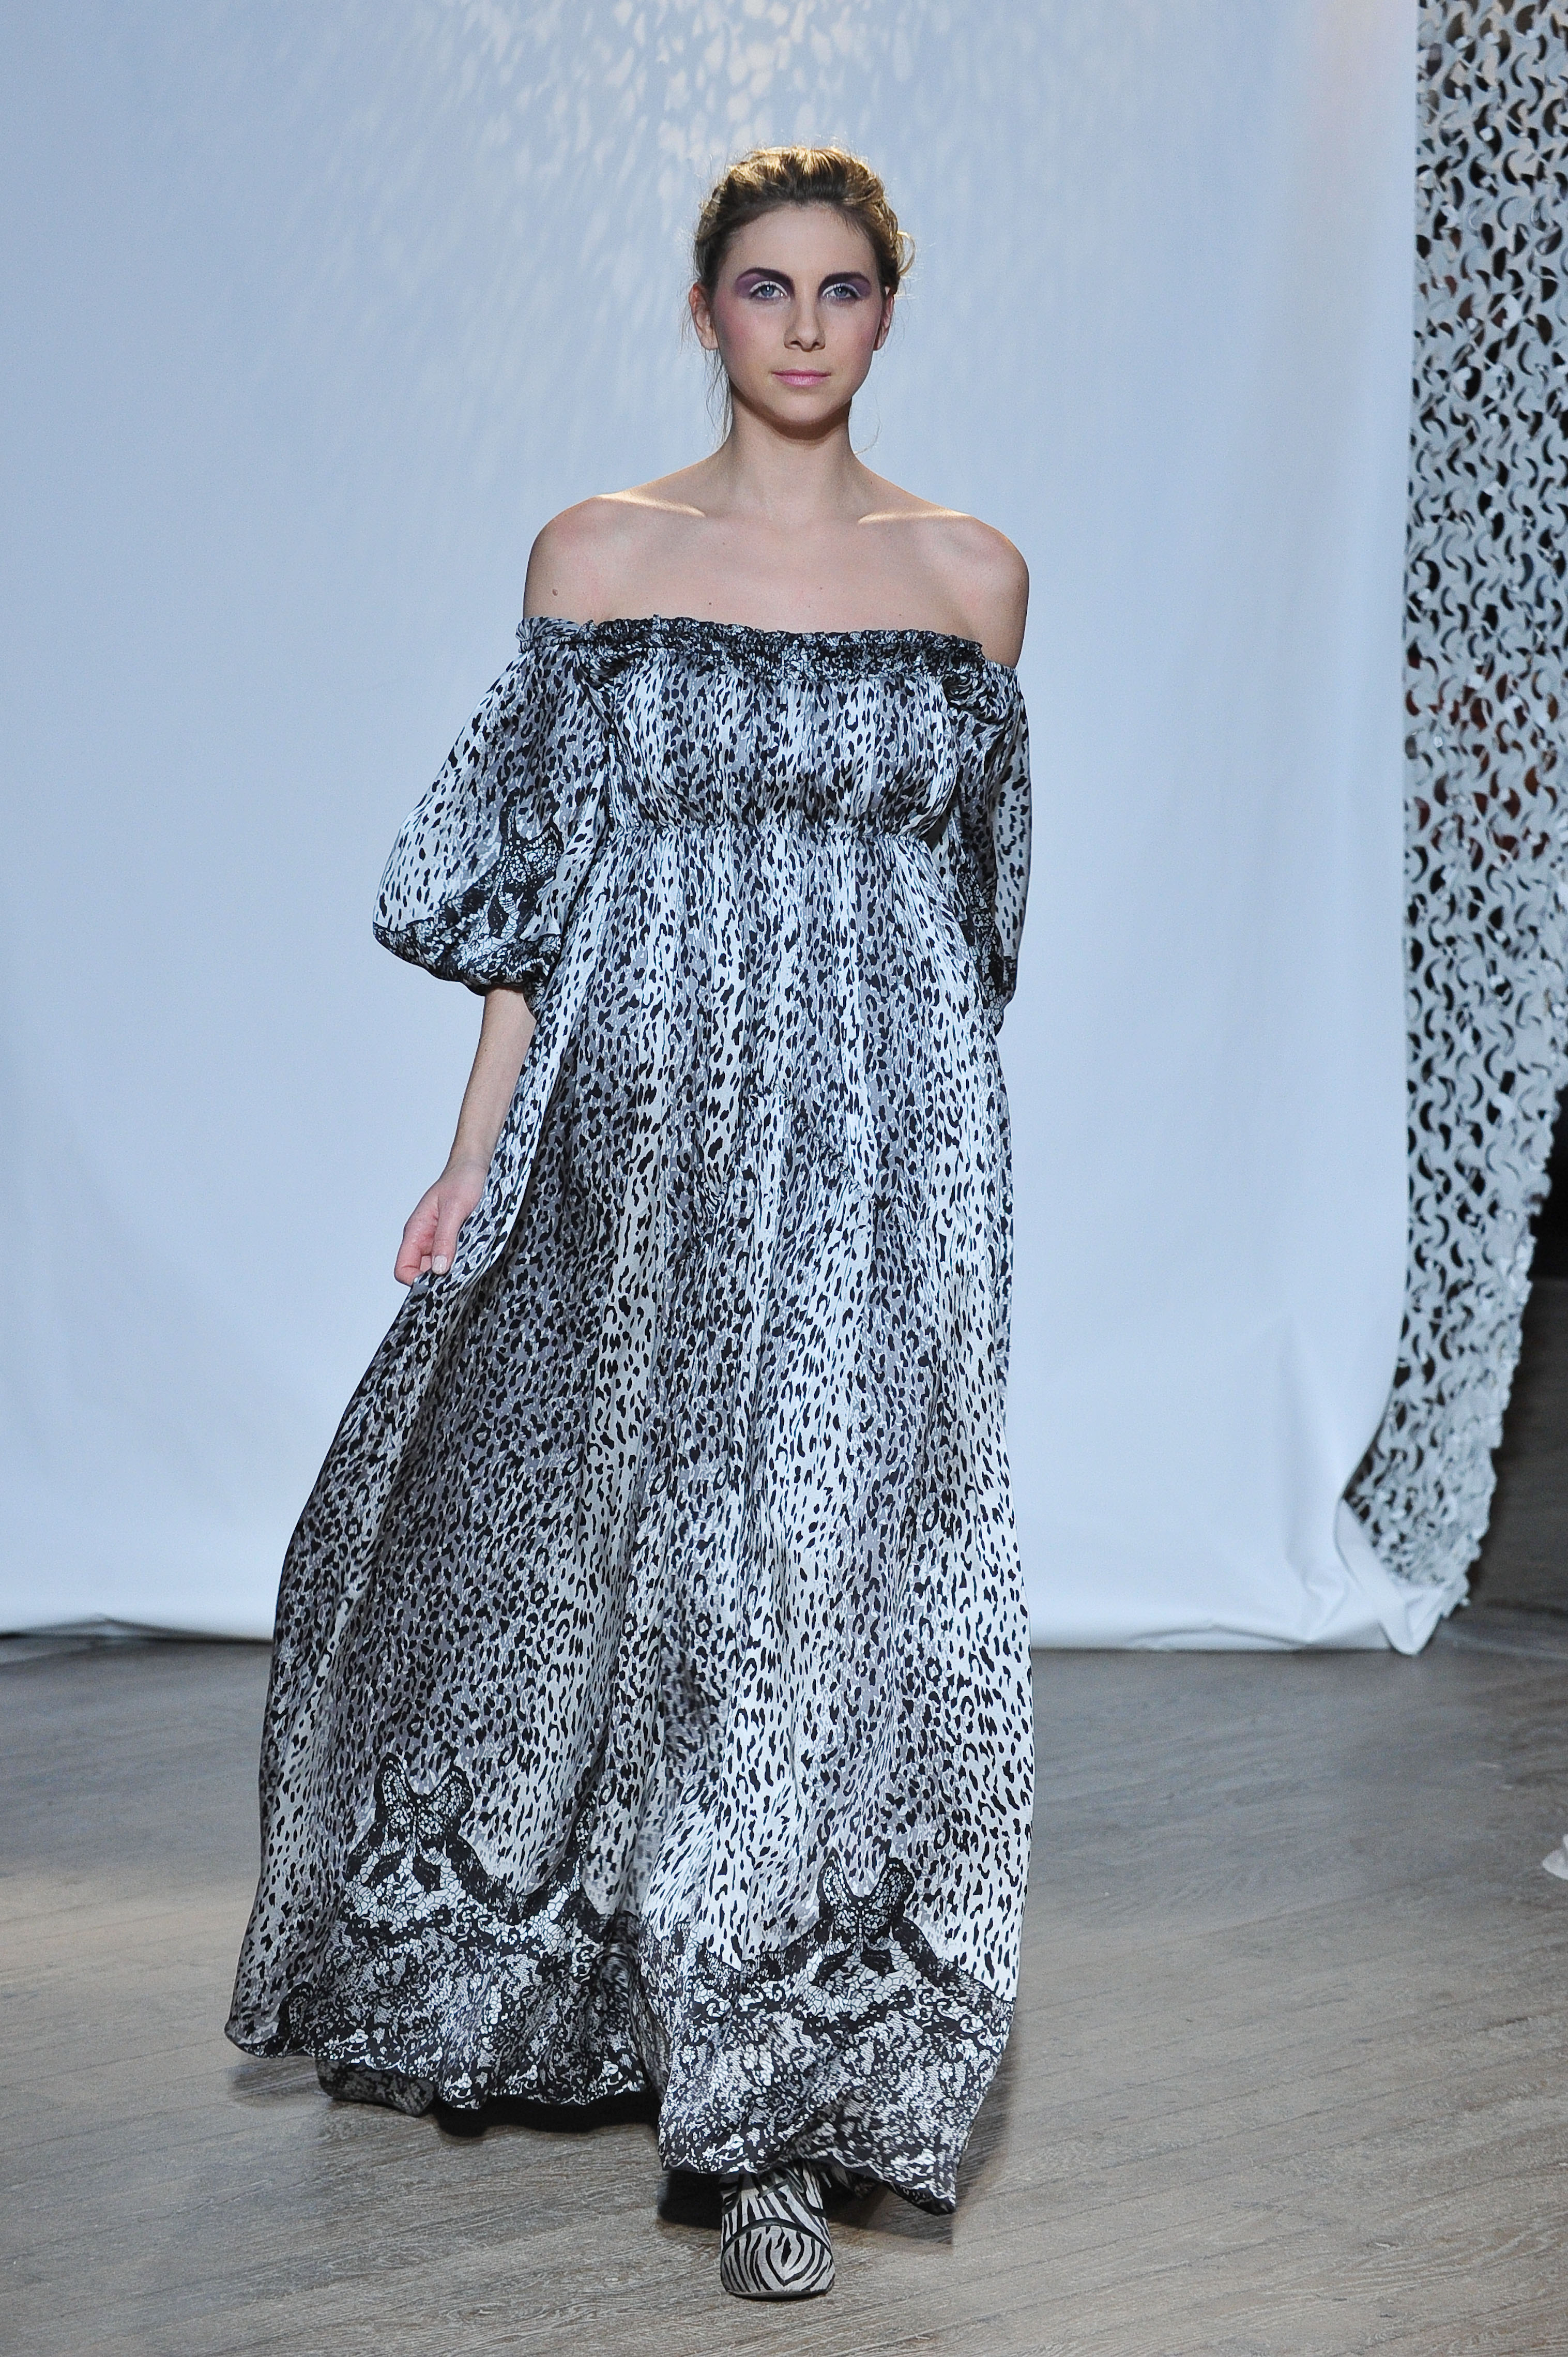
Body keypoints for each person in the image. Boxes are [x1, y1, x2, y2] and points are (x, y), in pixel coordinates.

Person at [227, 143, 1034, 2304]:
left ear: (886, 313)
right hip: (631, 1133)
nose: (803, 326)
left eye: (842, 290)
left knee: (814, 1600)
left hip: (879, 1160)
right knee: (588, 1558)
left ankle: (768, 2117)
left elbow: (976, 933)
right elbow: (539, 896)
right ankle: (555, 1985)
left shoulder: (973, 579)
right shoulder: (596, 555)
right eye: (764, 288)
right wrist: (470, 1153)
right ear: (704, 310)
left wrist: (940, 1185)